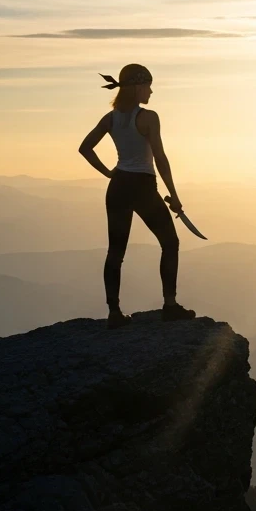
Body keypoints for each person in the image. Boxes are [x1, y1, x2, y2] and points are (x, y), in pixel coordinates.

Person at [77, 63, 195, 329]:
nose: (151, 91)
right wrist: (174, 196)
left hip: (118, 185)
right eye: (148, 85)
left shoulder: (111, 118)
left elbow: (85, 148)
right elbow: (160, 158)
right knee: (170, 243)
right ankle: (170, 306)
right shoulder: (149, 117)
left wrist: (109, 173)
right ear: (139, 87)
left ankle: (114, 313)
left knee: (116, 252)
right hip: (142, 187)